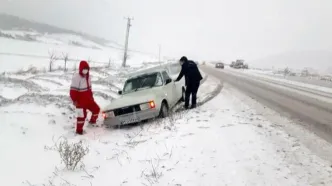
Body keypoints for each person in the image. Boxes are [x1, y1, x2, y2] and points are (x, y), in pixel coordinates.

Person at [70, 60, 100, 135]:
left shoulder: (88, 77)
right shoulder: (76, 77)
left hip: (88, 100)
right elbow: (73, 91)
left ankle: (92, 122)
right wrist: (75, 100)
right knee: (81, 117)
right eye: (84, 69)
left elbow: (89, 89)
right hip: (80, 102)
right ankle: (79, 131)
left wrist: (91, 97)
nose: (85, 70)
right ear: (80, 69)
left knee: (96, 109)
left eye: (87, 69)